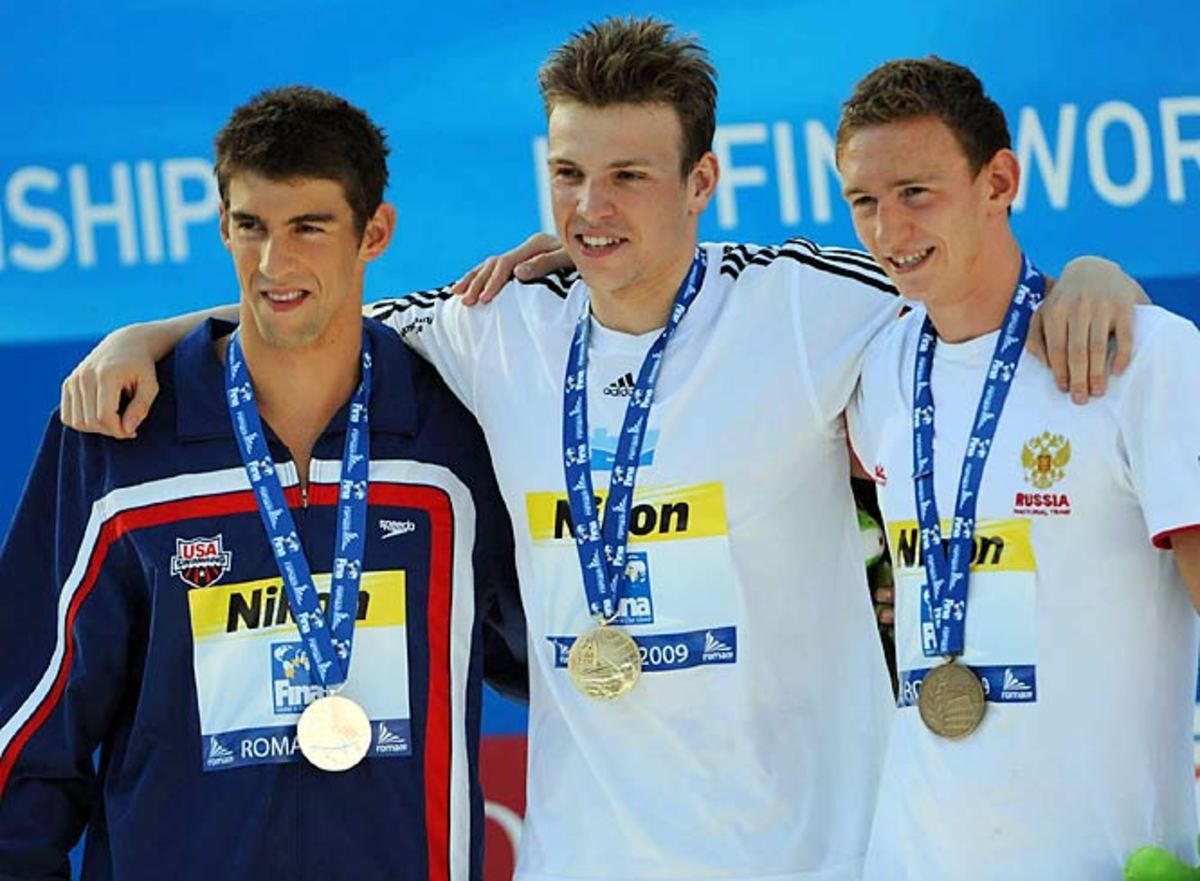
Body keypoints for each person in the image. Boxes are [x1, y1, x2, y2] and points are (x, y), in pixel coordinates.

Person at [58, 19, 1145, 881]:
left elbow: (973, 294)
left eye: (629, 175)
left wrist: (1095, 270)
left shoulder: (808, 302)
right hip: (586, 856)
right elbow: (310, 306)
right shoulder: (497, 322)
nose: (590, 207)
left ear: (704, 182)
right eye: (569, 172)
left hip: (818, 855)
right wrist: (150, 331)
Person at [0, 85, 524, 881]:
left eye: (309, 227)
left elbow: (549, 652)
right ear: (223, 227)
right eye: (251, 227)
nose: (275, 263)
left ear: (373, 232)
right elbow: (31, 731)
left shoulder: (455, 433)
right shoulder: (124, 436)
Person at [836, 57, 1200, 881]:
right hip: (906, 859)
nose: (889, 230)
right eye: (865, 201)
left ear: (998, 180)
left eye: (916, 193)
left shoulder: (1145, 358)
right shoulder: (869, 371)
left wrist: (1102, 273)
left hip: (1105, 861)